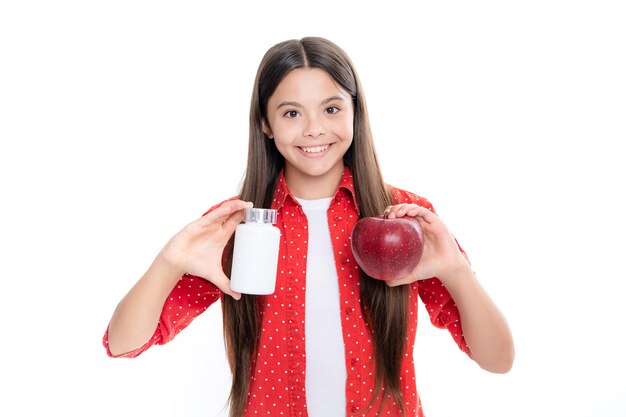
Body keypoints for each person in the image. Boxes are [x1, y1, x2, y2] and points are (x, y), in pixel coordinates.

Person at [103, 36, 514, 417]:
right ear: (265, 123)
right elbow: (123, 344)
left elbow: (498, 359)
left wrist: (455, 269)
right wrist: (169, 261)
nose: (314, 129)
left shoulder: (405, 216)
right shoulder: (234, 225)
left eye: (331, 109)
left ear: (356, 111)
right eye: (291, 113)